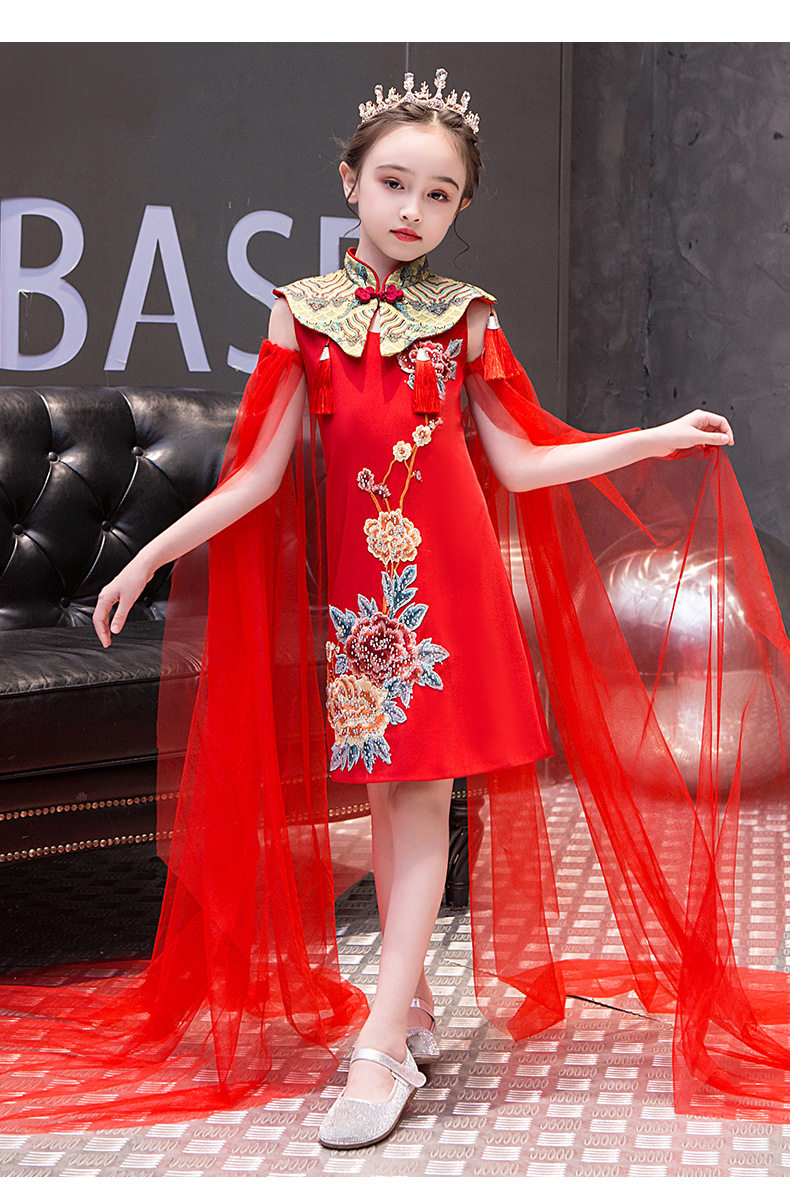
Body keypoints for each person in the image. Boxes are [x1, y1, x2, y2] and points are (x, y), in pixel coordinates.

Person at [2, 66, 789, 1143]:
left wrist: (652, 438)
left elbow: (521, 461)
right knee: (386, 797)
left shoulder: (466, 318)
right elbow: (255, 477)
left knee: (418, 797)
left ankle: (381, 1044)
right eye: (393, 183)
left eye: (438, 193)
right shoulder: (302, 315)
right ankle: (410, 1007)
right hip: (365, 607)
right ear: (350, 182)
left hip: (449, 597)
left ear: (459, 208)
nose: (412, 209)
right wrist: (148, 559)